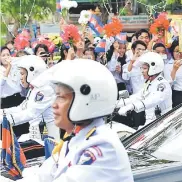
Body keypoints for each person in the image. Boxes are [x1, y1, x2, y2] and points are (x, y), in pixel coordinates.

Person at [0, 59, 134, 182]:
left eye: (61, 97)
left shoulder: (102, 148)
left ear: (85, 100)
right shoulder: (74, 139)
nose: (54, 104)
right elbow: (42, 176)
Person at [0, 55, 59, 158]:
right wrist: (2, 113)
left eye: (22, 74)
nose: (20, 77)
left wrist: (4, 119)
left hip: (46, 142)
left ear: (33, 72)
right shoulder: (35, 89)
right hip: (35, 138)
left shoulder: (44, 90)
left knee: (6, 154)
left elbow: (30, 113)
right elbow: (21, 108)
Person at [117, 52, 172, 128]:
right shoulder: (149, 82)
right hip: (151, 123)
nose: (142, 71)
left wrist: (132, 106)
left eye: (145, 68)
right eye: (141, 68)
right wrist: (118, 103)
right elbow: (138, 96)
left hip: (164, 123)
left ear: (154, 68)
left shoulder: (162, 84)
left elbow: (153, 100)